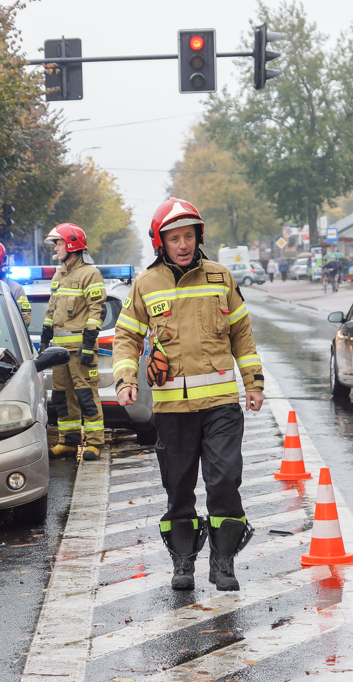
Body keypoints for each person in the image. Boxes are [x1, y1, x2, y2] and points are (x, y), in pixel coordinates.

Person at [112, 197, 265, 592]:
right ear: (160, 243)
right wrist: (126, 379)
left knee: (225, 481)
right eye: (174, 238)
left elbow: (242, 337)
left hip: (221, 406)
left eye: (188, 235)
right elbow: (126, 337)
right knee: (178, 488)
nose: (182, 244)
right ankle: (183, 562)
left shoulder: (220, 278)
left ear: (198, 236)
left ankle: (224, 562)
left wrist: (253, 382)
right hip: (172, 409)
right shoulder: (145, 285)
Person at [40, 223, 105, 461]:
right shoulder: (59, 274)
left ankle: (95, 443)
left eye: (57, 243)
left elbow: (97, 310)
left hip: (80, 350)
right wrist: (45, 339)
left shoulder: (90, 274)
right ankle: (68, 442)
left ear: (71, 244)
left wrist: (88, 344)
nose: (55, 248)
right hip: (59, 351)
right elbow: (51, 310)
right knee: (61, 397)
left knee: (86, 395)